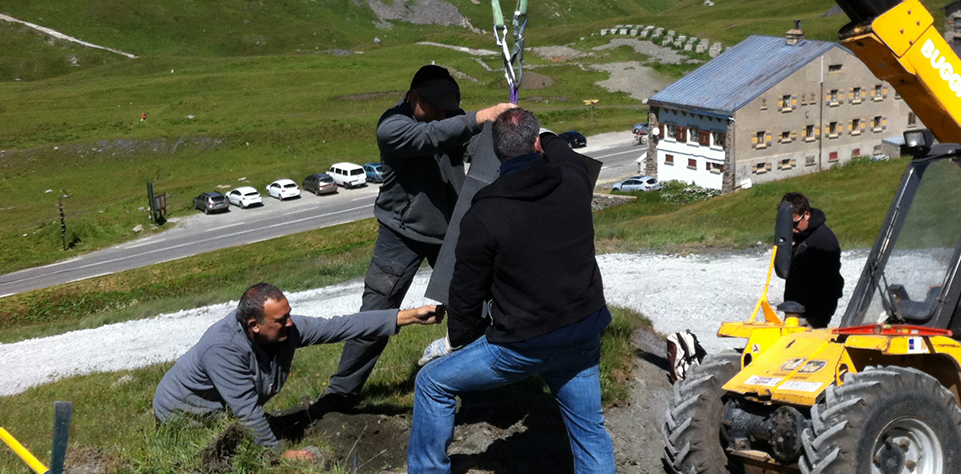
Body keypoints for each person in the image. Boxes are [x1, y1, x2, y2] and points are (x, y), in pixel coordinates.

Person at [408, 109, 615, 473]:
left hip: (521, 345)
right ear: (537, 143)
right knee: (590, 433)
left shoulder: (485, 214)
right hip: (583, 330)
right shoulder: (574, 179)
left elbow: (466, 293)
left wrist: (458, 340)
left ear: (496, 153)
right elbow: (562, 149)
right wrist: (545, 133)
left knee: (431, 383)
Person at [314, 65, 517, 414]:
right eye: (435, 110)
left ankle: (479, 387)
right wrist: (479, 117)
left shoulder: (448, 119)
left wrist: (506, 127)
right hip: (399, 233)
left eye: (446, 111)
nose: (441, 116)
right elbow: (430, 137)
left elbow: (471, 142)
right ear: (413, 98)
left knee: (469, 309)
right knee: (376, 312)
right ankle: (340, 393)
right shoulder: (392, 126)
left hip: (450, 232)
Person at [153, 283, 439, 458]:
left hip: (222, 407)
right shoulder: (223, 349)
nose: (290, 323)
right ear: (254, 325)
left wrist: (408, 316)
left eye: (288, 314)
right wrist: (280, 455)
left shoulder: (282, 329)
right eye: (281, 319)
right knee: (227, 456)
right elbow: (247, 411)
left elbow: (341, 326)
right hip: (186, 417)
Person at [779, 192, 844, 328]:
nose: (792, 229)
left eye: (794, 223)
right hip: (794, 310)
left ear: (807, 215)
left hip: (811, 314)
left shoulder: (824, 240)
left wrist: (819, 317)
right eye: (787, 224)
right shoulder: (799, 235)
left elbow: (832, 283)